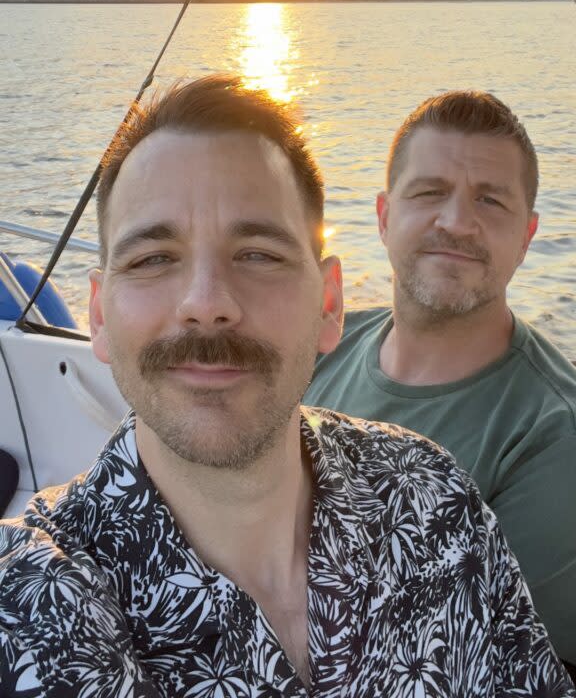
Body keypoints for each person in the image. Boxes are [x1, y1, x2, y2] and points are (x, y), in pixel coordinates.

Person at [0, 76, 573, 698]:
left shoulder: (435, 496)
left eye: (258, 254)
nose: (206, 303)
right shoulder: (29, 600)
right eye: (153, 258)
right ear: (100, 317)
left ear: (329, 304)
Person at [306, 89, 576, 672]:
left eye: (490, 201)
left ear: (527, 238)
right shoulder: (320, 346)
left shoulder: (551, 434)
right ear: (383, 217)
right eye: (430, 193)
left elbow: (498, 670)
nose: (456, 222)